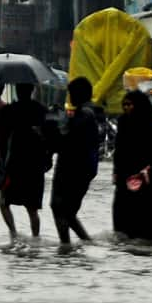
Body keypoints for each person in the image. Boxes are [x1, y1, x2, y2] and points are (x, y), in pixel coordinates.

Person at [0, 82, 56, 238]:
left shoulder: (9, 110)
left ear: (16, 91)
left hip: (15, 163)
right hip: (35, 165)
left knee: (4, 202)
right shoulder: (42, 110)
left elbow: (0, 135)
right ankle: (35, 238)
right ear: (32, 90)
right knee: (32, 208)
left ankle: (13, 233)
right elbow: (52, 138)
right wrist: (48, 159)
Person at [112, 90, 152, 242]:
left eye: (129, 104)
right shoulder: (123, 122)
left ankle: (151, 241)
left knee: (148, 212)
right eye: (124, 105)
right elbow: (120, 148)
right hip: (126, 177)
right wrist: (116, 172)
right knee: (122, 211)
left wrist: (149, 167)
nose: (126, 108)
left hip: (148, 177)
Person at [50, 77, 100, 246]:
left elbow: (67, 141)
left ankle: (65, 246)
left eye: (71, 93)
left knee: (59, 207)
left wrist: (52, 131)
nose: (69, 97)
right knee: (68, 212)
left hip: (72, 169)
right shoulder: (89, 113)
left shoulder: (84, 115)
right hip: (83, 169)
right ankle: (85, 242)